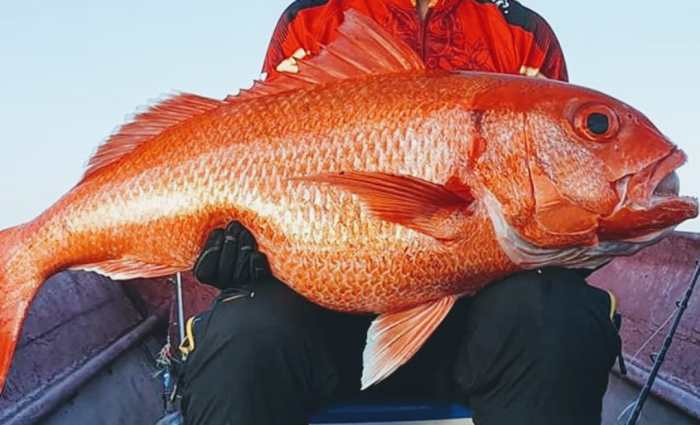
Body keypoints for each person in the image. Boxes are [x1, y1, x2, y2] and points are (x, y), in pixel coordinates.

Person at [178, 2, 621, 424]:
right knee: (245, 331)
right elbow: (268, 142)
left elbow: (552, 195)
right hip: (326, 316)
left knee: (556, 314)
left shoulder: (522, 31)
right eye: (596, 125)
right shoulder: (310, 19)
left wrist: (581, 235)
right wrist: (239, 256)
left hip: (479, 320)